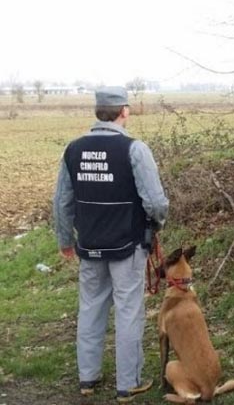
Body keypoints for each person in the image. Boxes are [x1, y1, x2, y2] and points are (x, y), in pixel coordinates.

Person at [53, 86, 169, 403]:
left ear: (97, 112)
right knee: (129, 312)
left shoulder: (73, 150)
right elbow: (156, 202)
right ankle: (127, 384)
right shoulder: (135, 149)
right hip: (127, 246)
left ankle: (87, 379)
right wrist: (156, 225)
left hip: (89, 246)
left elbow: (62, 203)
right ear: (124, 111)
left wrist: (65, 240)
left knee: (90, 309)